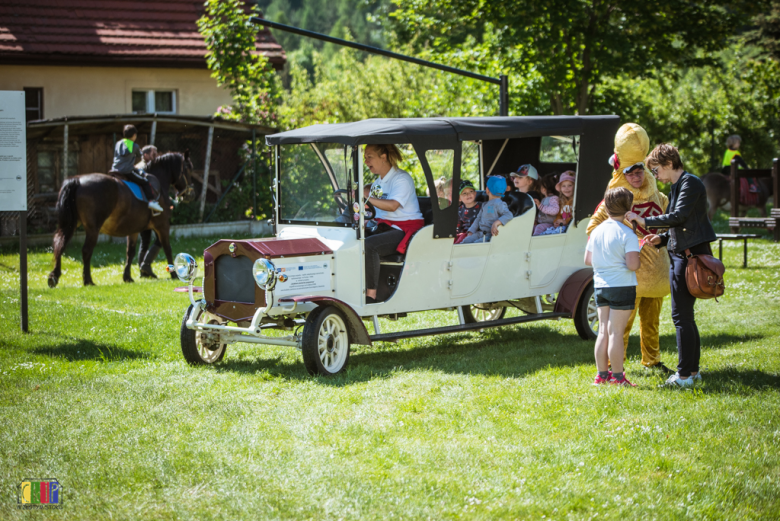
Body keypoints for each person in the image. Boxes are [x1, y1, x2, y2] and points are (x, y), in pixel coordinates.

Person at [626, 143, 717, 388]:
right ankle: (693, 372)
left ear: (668, 163)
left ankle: (685, 375)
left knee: (681, 317)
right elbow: (680, 225)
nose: (654, 176)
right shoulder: (679, 184)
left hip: (689, 257)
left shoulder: (690, 183)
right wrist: (662, 239)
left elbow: (678, 217)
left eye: (655, 170)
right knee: (685, 317)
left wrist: (643, 220)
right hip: (682, 253)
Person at [587, 123, 672, 374]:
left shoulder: (660, 197)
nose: (637, 176)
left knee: (652, 321)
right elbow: (592, 230)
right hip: (628, 276)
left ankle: (652, 361)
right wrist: (619, 245)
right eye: (631, 173)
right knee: (621, 324)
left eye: (640, 171)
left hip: (656, 273)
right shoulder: (613, 202)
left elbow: (671, 221)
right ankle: (616, 365)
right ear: (623, 174)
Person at [586, 187, 641, 387]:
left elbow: (587, 259)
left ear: (606, 206)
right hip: (622, 286)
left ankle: (601, 376)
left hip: (601, 285)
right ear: (629, 208)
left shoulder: (597, 231)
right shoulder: (628, 233)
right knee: (616, 333)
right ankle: (618, 378)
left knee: (602, 331)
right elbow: (633, 265)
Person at [364, 144, 424, 304]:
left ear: (383, 156)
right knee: (352, 238)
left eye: (369, 156)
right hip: (385, 225)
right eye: (365, 157)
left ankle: (371, 295)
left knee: (369, 246)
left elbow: (392, 205)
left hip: (404, 228)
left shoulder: (401, 179)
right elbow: (374, 207)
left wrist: (365, 197)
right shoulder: (378, 182)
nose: (366, 161)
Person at [112, 125, 163, 213]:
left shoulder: (118, 143)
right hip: (126, 171)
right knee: (145, 181)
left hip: (115, 169)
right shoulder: (134, 146)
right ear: (134, 135)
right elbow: (140, 155)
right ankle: (152, 201)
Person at [460, 176, 512, 244]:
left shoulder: (500, 204)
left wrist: (496, 223)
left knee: (475, 245)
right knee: (465, 242)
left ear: (487, 190)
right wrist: (471, 231)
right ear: (504, 192)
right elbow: (478, 219)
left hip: (490, 235)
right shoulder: (484, 205)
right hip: (480, 233)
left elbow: (509, 215)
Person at [455, 180, 482, 244]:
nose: (468, 194)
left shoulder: (482, 207)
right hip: (465, 235)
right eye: (464, 193)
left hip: (478, 234)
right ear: (459, 198)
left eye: (471, 191)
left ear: (475, 193)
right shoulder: (459, 210)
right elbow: (458, 227)